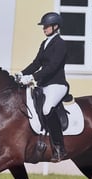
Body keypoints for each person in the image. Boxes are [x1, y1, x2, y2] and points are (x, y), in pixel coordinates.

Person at [16, 12, 69, 162]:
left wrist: (32, 77)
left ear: (55, 26)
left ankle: (59, 148)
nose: (44, 29)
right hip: (44, 84)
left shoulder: (60, 44)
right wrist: (21, 73)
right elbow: (36, 64)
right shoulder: (44, 43)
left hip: (57, 84)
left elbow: (52, 67)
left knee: (47, 109)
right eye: (43, 26)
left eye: (46, 26)